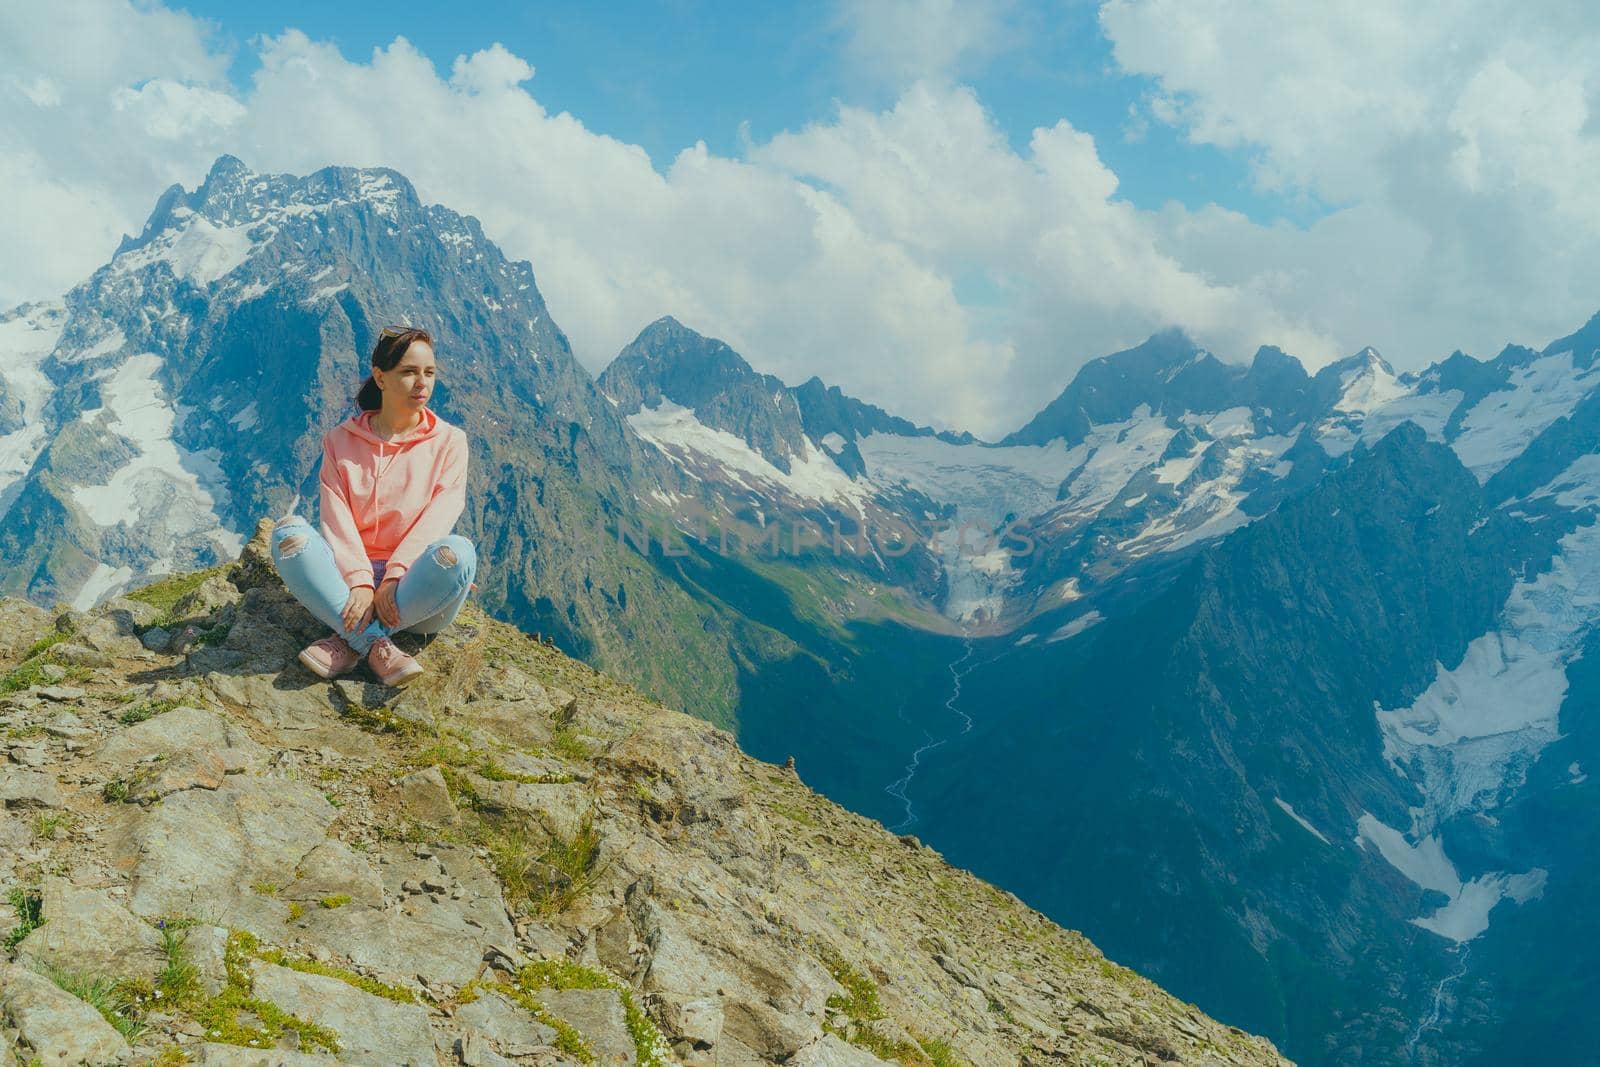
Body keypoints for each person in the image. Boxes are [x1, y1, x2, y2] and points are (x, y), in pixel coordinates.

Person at [270, 325, 477, 686]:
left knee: (458, 552)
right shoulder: (339, 441)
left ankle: (346, 641)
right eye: (409, 372)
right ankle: (375, 645)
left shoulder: (451, 442)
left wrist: (394, 576)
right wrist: (361, 582)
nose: (421, 383)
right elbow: (336, 520)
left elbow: (440, 515)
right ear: (380, 377)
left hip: (413, 590)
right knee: (288, 536)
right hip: (347, 588)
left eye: (429, 373)